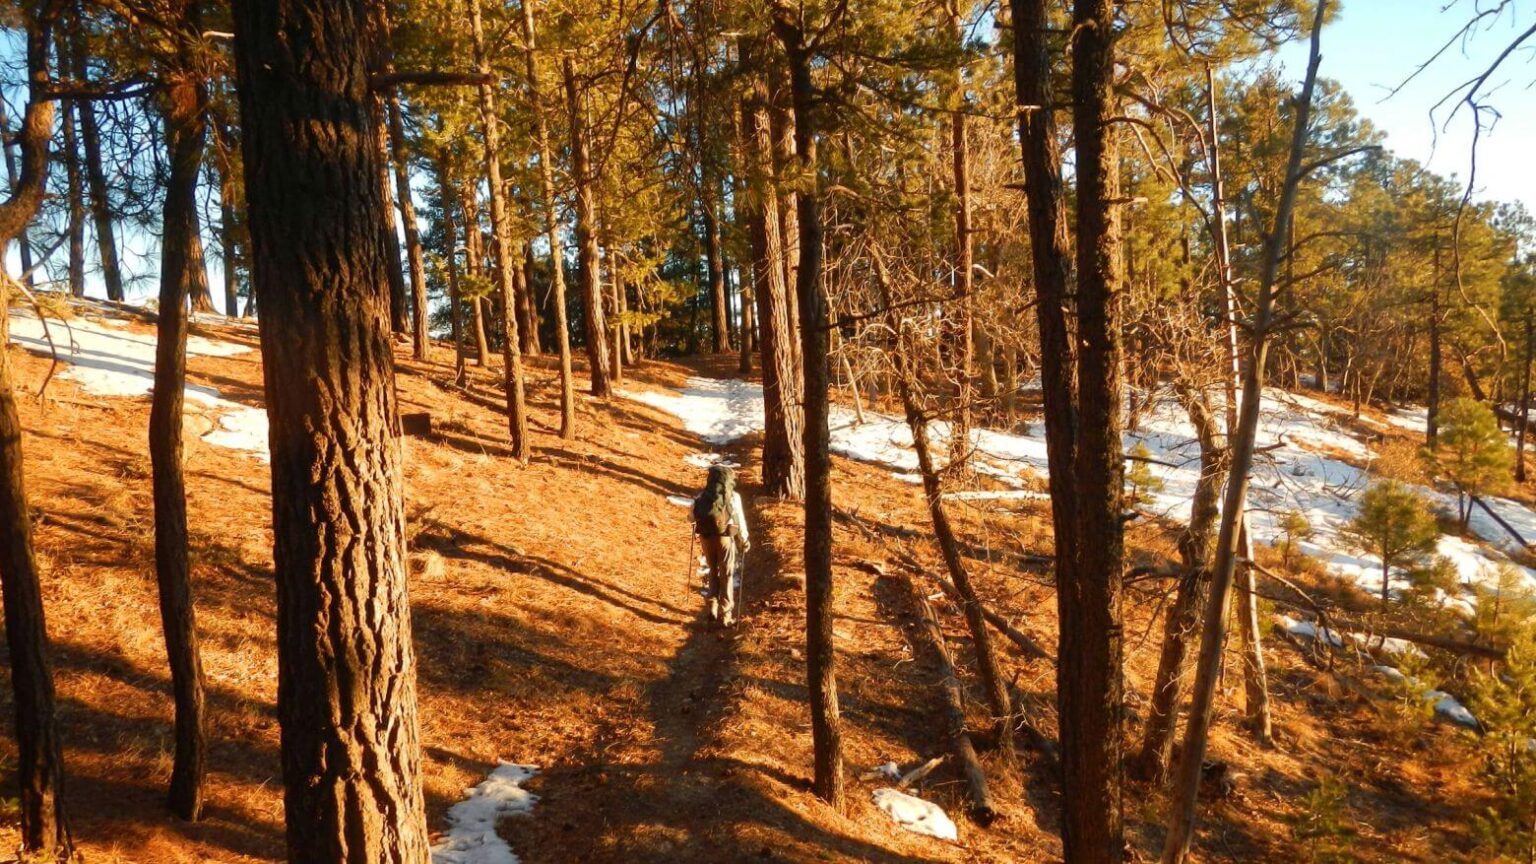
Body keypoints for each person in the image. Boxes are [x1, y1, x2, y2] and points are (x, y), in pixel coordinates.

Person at [692, 464, 750, 626]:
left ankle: (712, 606)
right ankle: (725, 615)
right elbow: (740, 520)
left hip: (706, 538)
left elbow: (691, 517)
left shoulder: (702, 496)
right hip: (725, 538)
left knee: (713, 570)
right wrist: (744, 539)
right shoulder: (733, 497)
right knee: (727, 574)